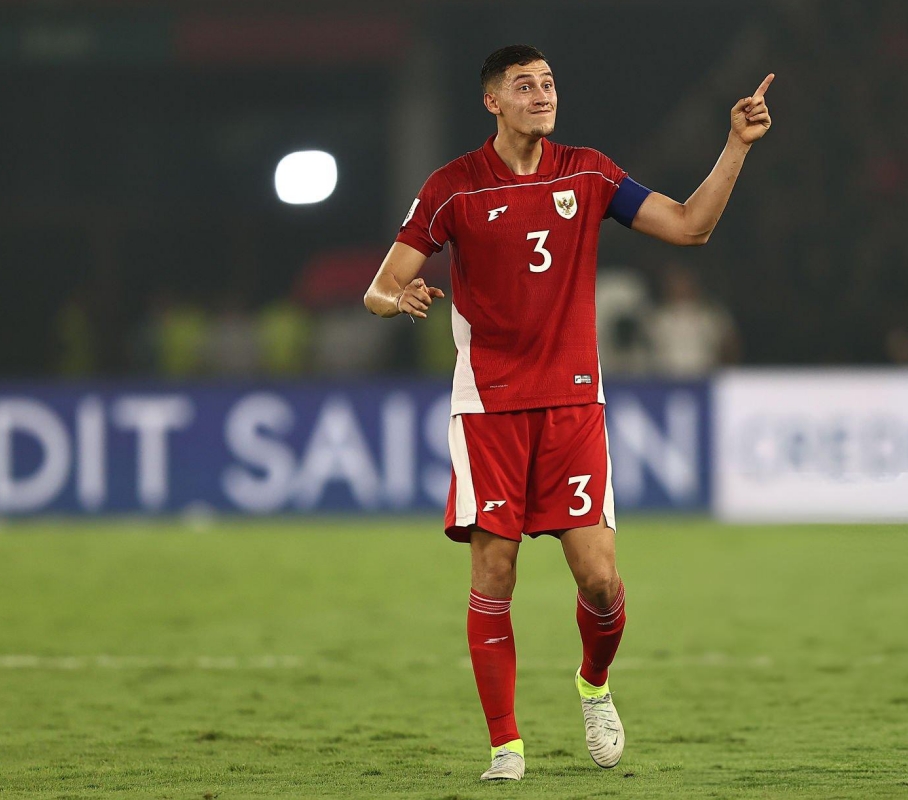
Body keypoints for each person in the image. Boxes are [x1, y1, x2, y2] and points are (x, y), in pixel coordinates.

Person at [364, 45, 773, 782]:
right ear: (492, 101)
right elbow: (380, 288)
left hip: (573, 403)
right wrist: (403, 298)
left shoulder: (587, 172)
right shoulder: (453, 187)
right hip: (488, 407)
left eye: (548, 83)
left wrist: (735, 146)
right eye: (524, 85)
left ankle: (593, 683)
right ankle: (506, 747)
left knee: (600, 581)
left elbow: (690, 226)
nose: (542, 94)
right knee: (494, 569)